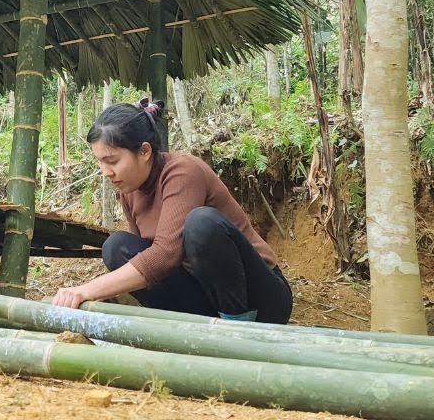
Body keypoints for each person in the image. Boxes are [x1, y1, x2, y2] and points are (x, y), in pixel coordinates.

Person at [52, 99, 292, 324]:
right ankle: (187, 327)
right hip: (204, 299)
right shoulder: (129, 189)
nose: (105, 171)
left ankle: (237, 330)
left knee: (201, 224)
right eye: (99, 162)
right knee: (117, 247)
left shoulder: (183, 171)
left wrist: (88, 289)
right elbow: (145, 259)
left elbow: (165, 255)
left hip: (260, 299)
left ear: (144, 151)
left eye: (112, 161)